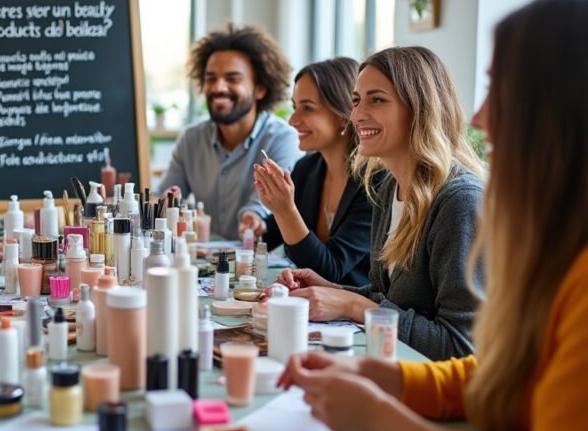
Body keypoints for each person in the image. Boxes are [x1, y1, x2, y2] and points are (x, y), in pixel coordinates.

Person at [278, 0, 588, 431]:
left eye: (501, 91)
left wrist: (381, 410)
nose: (480, 117)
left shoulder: (463, 200)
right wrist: (377, 372)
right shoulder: (386, 186)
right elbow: (499, 374)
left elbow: (466, 351)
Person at [277, 46, 484, 361]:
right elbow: (383, 297)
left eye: (377, 100)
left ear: (419, 108)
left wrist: (354, 306)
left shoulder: (460, 201)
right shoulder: (390, 187)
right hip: (394, 372)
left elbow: (460, 346)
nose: (358, 115)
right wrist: (333, 289)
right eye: (357, 100)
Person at [159, 23, 303, 240]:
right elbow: (166, 196)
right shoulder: (191, 139)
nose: (218, 88)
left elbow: (262, 203)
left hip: (261, 264)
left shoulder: (283, 138)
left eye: (232, 79)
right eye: (210, 79)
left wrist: (252, 217)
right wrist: (165, 202)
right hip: (206, 263)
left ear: (260, 88)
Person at [243, 57, 373, 286]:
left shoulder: (374, 184)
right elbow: (275, 234)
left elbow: (329, 271)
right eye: (295, 107)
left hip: (355, 316)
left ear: (343, 115)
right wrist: (257, 226)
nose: (293, 120)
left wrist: (285, 210)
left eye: (307, 108)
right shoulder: (308, 168)